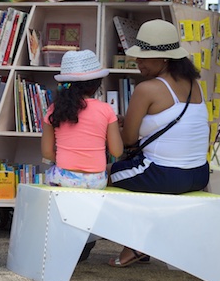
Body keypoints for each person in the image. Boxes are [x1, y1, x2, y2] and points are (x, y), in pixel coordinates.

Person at [108, 19, 210, 267]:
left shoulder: (147, 89)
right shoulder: (194, 86)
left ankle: (135, 244)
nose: (138, 62)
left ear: (165, 59)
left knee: (107, 176)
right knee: (137, 176)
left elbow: (128, 141)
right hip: (199, 173)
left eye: (145, 57)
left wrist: (117, 125)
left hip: (166, 174)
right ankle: (140, 244)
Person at [41, 50, 123, 189]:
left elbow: (47, 152)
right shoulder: (106, 110)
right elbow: (117, 151)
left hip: (64, 178)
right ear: (96, 84)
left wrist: (67, 160)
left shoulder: (55, 109)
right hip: (96, 181)